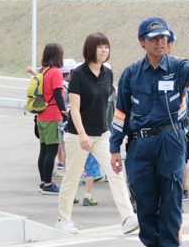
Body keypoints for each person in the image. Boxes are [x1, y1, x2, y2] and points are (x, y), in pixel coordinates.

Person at [109, 17, 189, 247]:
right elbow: (121, 113)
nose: (160, 42)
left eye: (164, 37)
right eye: (154, 38)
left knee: (171, 196)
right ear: (142, 42)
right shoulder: (131, 73)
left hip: (171, 140)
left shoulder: (178, 67)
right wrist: (114, 148)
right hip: (140, 144)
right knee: (144, 198)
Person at [56, 32, 138, 235]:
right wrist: (82, 134)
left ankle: (128, 217)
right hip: (77, 135)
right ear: (90, 49)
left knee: (116, 173)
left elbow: (111, 104)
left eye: (106, 47)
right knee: (72, 178)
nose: (104, 50)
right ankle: (63, 220)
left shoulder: (107, 73)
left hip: (102, 134)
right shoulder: (78, 74)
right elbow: (74, 108)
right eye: (100, 46)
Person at [34, 43, 66, 195]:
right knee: (51, 151)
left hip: (40, 115)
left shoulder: (42, 71)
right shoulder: (56, 72)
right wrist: (64, 112)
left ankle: (43, 182)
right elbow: (58, 95)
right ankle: (48, 184)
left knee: (43, 150)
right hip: (53, 115)